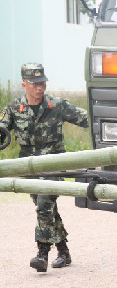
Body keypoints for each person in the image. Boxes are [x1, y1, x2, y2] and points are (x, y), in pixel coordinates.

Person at [0, 63, 89, 272]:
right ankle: (64, 251)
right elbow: (2, 128)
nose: (40, 88)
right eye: (35, 84)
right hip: (28, 169)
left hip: (55, 166)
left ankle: (42, 254)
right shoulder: (14, 108)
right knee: (48, 209)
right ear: (24, 85)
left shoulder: (56, 105)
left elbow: (87, 118)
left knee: (43, 204)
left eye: (43, 83)